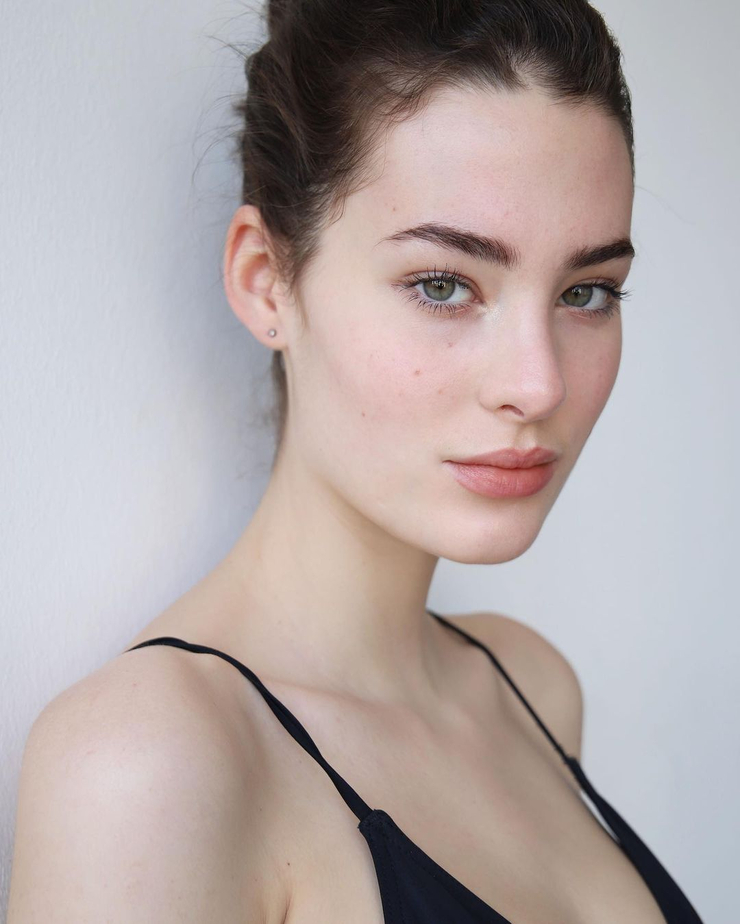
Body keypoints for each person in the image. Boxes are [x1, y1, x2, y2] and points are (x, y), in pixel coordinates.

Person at [7, 1, 705, 922]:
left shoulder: (529, 686)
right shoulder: (152, 764)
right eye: (444, 284)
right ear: (267, 281)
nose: (538, 385)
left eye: (586, 293)